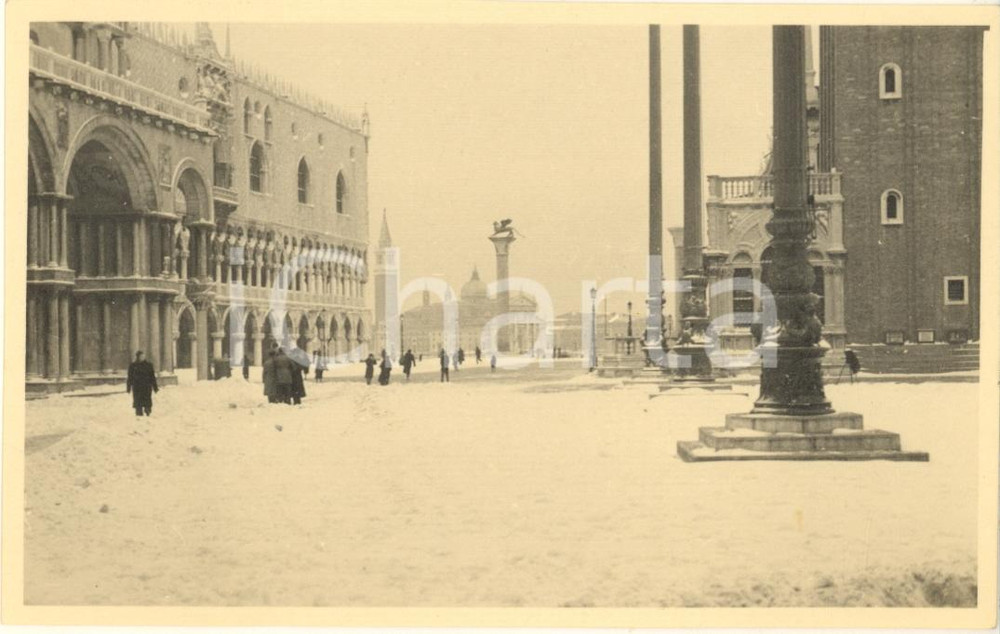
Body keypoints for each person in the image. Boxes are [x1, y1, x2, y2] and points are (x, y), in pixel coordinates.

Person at [126, 351, 158, 416]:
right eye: (141, 356)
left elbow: (152, 377)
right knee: (138, 401)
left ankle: (148, 410)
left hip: (146, 386)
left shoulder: (149, 365)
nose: (142, 357)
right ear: (138, 357)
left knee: (147, 399)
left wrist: (155, 387)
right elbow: (130, 377)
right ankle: (138, 412)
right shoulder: (133, 366)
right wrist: (128, 388)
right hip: (137, 387)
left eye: (143, 356)